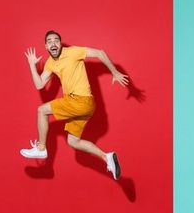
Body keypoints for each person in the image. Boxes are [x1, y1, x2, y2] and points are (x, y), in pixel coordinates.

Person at [19, 30, 129, 180]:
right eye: (50, 41)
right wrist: (32, 65)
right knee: (73, 141)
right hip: (85, 106)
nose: (53, 43)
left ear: (60, 43)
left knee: (41, 110)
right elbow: (39, 85)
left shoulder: (73, 52)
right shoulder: (51, 63)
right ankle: (107, 157)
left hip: (80, 100)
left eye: (56, 40)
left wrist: (114, 72)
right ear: (46, 46)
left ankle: (41, 148)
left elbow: (100, 53)